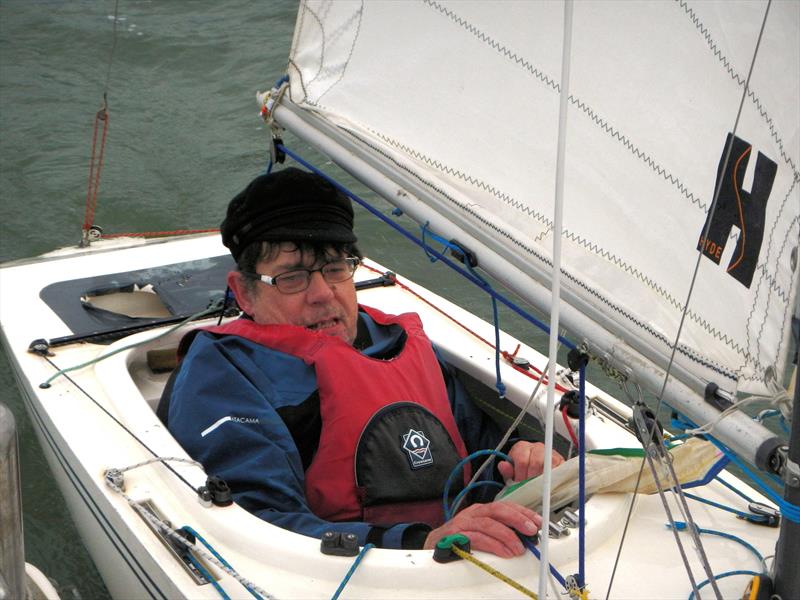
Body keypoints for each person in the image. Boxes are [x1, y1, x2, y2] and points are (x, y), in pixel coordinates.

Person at [165, 167, 563, 557]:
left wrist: (520, 458)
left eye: (335, 269)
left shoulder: (399, 341)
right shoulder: (225, 373)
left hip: (458, 556)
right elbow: (263, 523)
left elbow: (480, 452)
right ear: (245, 293)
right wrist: (417, 543)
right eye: (292, 277)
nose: (323, 293)